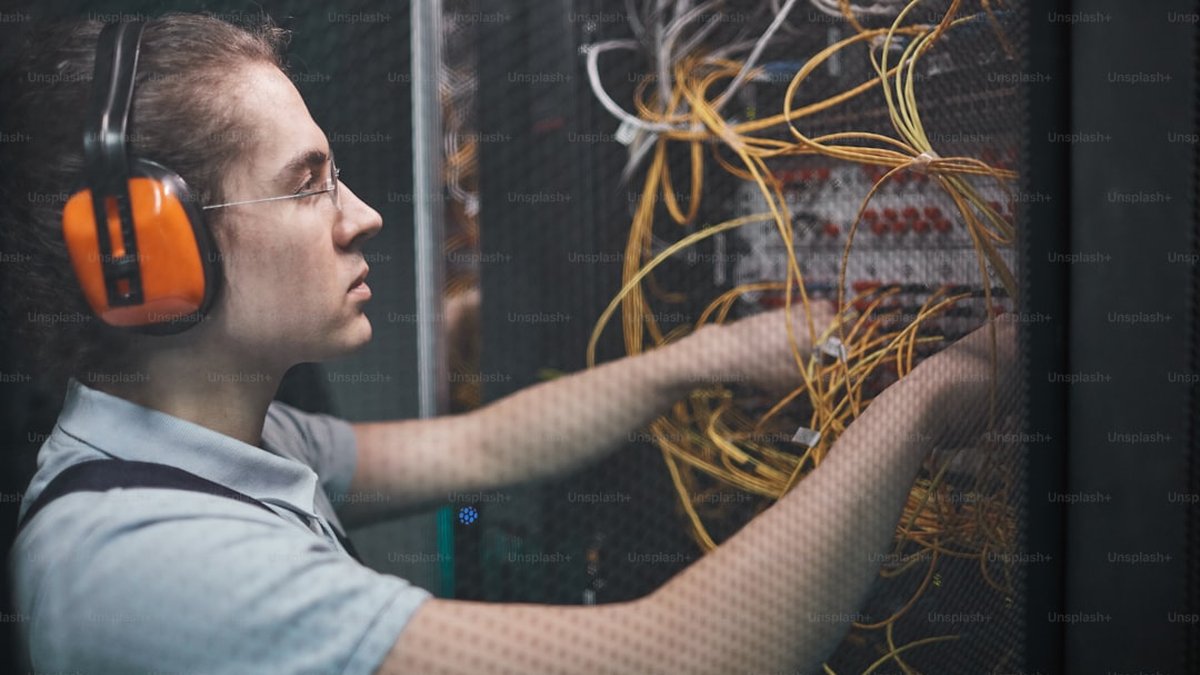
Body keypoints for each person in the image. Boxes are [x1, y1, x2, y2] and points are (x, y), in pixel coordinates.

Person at [1, 13, 1019, 675]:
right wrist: (927, 398)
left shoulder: (209, 447)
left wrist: (701, 358)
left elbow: (485, 448)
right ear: (141, 250)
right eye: (308, 182)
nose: (362, 216)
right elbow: (682, 659)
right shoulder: (142, 560)